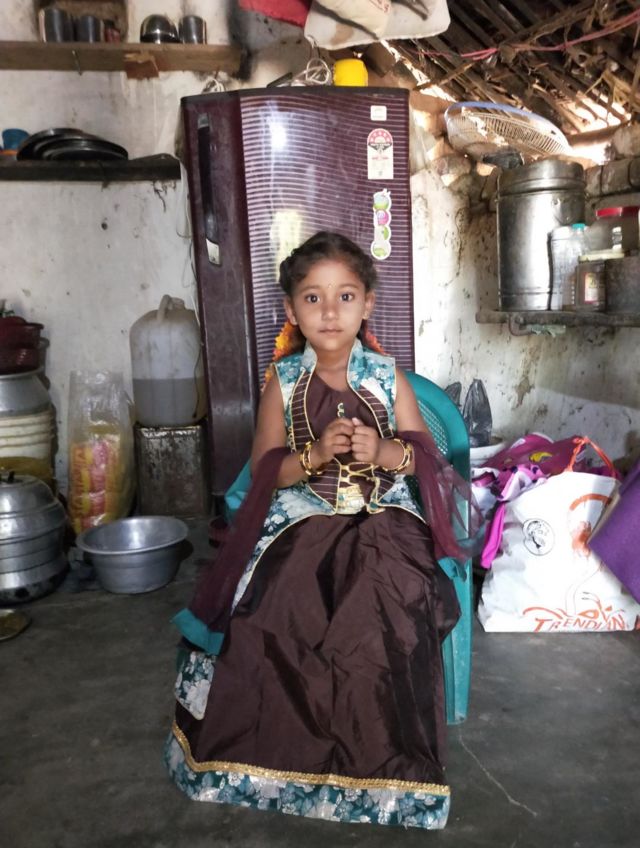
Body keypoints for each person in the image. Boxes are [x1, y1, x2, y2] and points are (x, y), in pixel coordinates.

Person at [165, 231, 474, 830]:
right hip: (303, 513)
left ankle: (385, 773)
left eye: (345, 296)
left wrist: (382, 451)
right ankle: (276, 762)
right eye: (313, 298)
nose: (330, 312)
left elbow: (423, 460)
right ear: (291, 309)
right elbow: (266, 471)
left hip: (383, 513)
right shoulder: (282, 382)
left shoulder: (386, 377)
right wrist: (312, 457)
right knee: (276, 601)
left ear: (367, 304)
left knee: (384, 599)